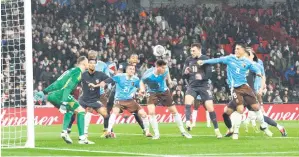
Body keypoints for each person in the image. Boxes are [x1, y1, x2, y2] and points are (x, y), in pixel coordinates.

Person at [198, 43, 270, 140]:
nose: (236, 50)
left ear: (243, 51)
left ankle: (264, 126)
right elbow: (217, 60)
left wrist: (258, 73)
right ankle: (235, 132)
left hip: (245, 87)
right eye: (235, 49)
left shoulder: (246, 61)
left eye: (238, 49)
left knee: (256, 107)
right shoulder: (230, 58)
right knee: (240, 109)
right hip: (235, 88)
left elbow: (255, 68)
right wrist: (204, 62)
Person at [43, 56, 94, 144]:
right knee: (81, 111)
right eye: (87, 62)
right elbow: (68, 87)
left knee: (70, 110)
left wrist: (45, 90)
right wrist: (63, 103)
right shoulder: (78, 73)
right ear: (83, 63)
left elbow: (57, 82)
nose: (89, 64)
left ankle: (64, 132)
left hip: (51, 95)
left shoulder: (70, 71)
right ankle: (82, 138)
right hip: (60, 94)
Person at [139, 59, 192, 140]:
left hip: (164, 91)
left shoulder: (166, 70)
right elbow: (141, 82)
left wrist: (170, 81)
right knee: (151, 112)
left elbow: (168, 75)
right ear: (157, 67)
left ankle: (183, 131)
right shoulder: (148, 75)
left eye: (165, 67)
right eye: (163, 68)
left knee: (174, 111)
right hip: (152, 92)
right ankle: (156, 134)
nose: (164, 69)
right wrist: (142, 89)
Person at [242, 48, 287, 136]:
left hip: (254, 91)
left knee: (256, 113)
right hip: (248, 91)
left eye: (248, 54)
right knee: (258, 114)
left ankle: (273, 127)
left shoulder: (257, 63)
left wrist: (261, 88)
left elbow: (262, 76)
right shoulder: (245, 64)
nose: (246, 56)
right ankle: (272, 128)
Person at [103, 54, 150, 137]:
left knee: (137, 113)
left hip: (129, 95)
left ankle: (144, 129)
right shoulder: (123, 65)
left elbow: (137, 83)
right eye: (133, 57)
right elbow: (118, 75)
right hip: (117, 91)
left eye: (136, 58)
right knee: (110, 110)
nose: (134, 59)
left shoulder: (137, 71)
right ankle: (108, 130)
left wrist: (140, 91)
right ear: (130, 58)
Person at [183, 43, 222, 138]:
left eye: (193, 51)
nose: (192, 52)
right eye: (191, 51)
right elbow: (184, 75)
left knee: (210, 108)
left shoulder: (205, 59)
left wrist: (202, 76)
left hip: (204, 86)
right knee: (187, 101)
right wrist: (185, 72)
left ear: (199, 50)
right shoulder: (188, 60)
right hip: (192, 86)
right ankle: (188, 122)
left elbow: (209, 74)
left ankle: (217, 130)